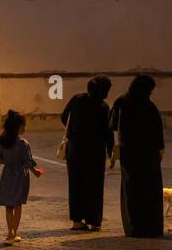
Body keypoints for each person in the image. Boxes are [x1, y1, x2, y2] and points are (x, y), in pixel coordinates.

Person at [111, 74, 165, 238]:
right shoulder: (149, 106)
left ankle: (134, 228)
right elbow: (158, 132)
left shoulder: (121, 102)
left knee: (132, 189)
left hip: (131, 154)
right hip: (148, 156)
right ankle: (152, 227)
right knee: (150, 191)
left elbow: (113, 127)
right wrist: (160, 151)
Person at [60, 75, 114, 231]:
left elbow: (64, 117)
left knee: (76, 184)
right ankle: (94, 220)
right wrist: (111, 152)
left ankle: (77, 220)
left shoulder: (77, 99)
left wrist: (73, 132)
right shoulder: (103, 107)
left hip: (75, 149)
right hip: (95, 151)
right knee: (95, 186)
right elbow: (108, 132)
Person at [0, 109, 43, 244]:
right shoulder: (23, 144)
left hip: (7, 174)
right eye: (24, 125)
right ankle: (14, 233)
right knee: (18, 204)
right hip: (20, 175)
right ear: (19, 127)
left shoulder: (3, 142)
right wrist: (36, 171)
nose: (25, 128)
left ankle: (10, 233)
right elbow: (28, 162)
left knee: (9, 205)